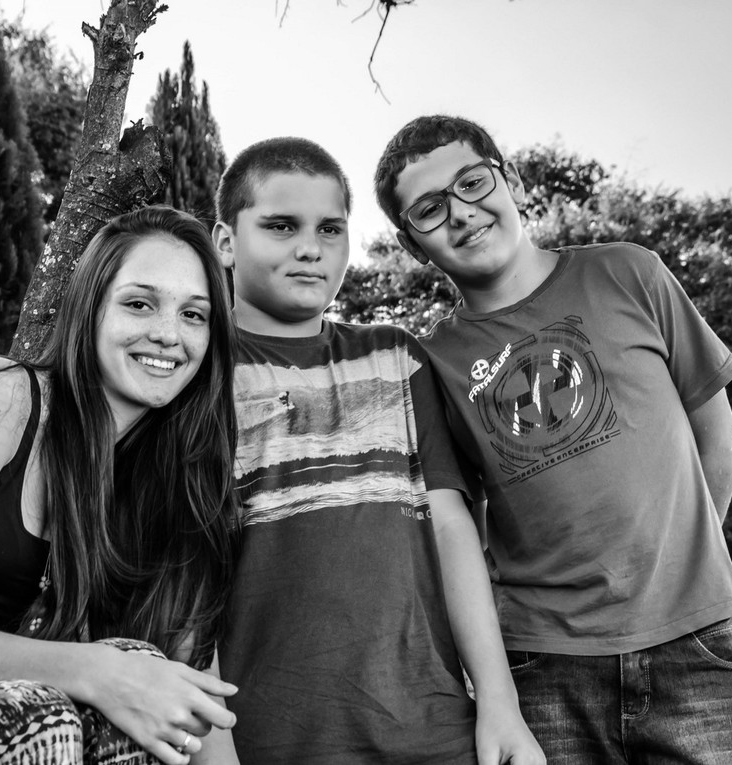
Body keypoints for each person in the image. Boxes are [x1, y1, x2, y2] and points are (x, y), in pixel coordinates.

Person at [372, 114, 732, 764]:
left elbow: (719, 442)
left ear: (513, 181)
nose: (461, 212)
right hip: (543, 664)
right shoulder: (434, 362)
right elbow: (459, 526)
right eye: (429, 209)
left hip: (697, 645)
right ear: (412, 244)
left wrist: (682, 579)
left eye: (473, 183)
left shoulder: (630, 273)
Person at [206, 136, 543, 765]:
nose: (311, 248)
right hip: (267, 739)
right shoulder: (197, 377)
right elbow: (180, 586)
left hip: (434, 733)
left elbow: (452, 528)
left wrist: (500, 702)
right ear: (226, 241)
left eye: (330, 229)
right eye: (281, 226)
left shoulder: (396, 356)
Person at [0, 206, 241, 765]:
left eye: (194, 315)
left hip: (24, 731)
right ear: (90, 307)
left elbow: (198, 712)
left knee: (143, 679)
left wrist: (123, 673)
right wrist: (100, 670)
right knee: (52, 708)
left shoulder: (179, 486)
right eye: (139, 304)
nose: (168, 334)